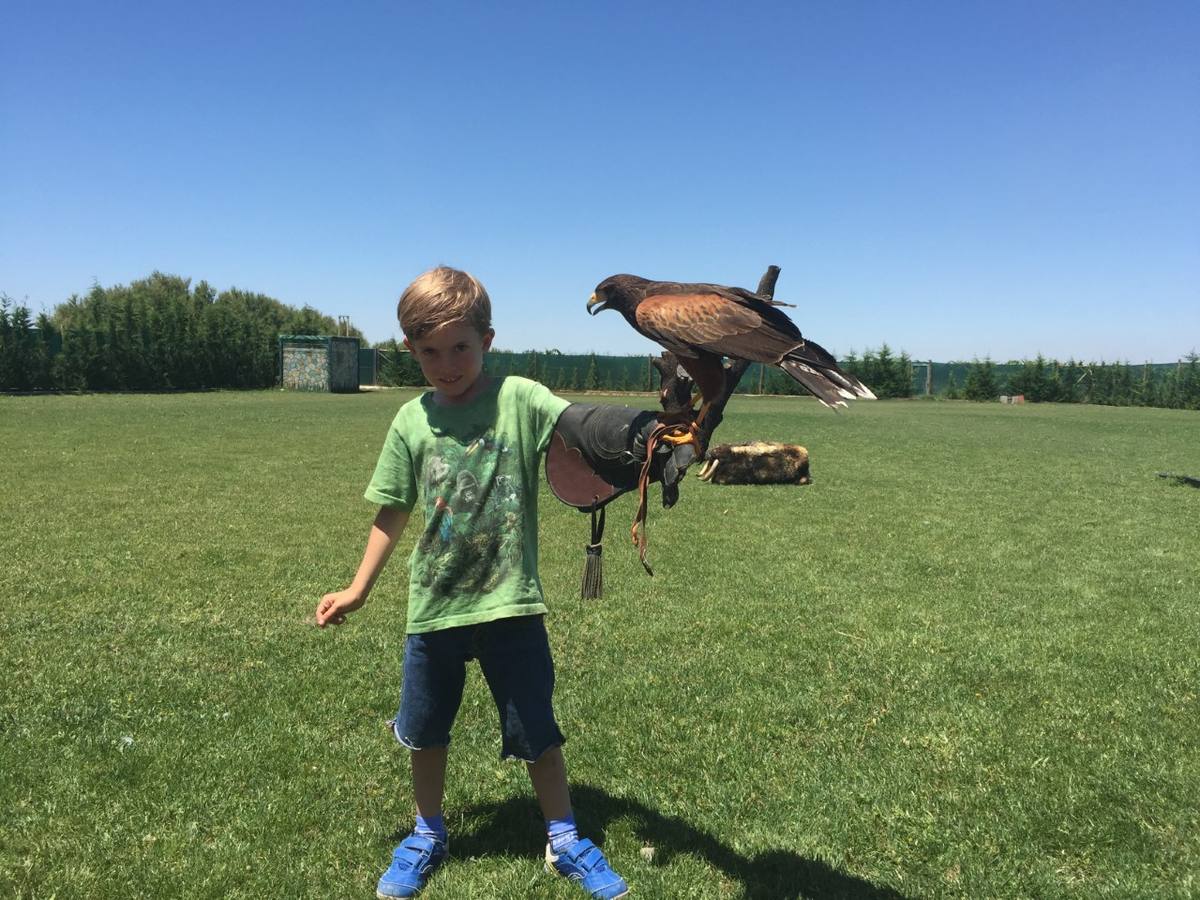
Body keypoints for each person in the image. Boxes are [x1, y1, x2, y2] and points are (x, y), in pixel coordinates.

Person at [315, 267, 691, 899]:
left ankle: (565, 837)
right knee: (426, 731)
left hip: (512, 606)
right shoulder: (410, 421)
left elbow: (580, 423)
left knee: (536, 730)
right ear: (411, 349)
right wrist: (357, 589)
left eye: (460, 347)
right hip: (434, 608)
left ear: (487, 340)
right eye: (430, 351)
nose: (446, 363)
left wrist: (645, 432)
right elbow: (392, 509)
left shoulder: (519, 397)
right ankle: (428, 831)